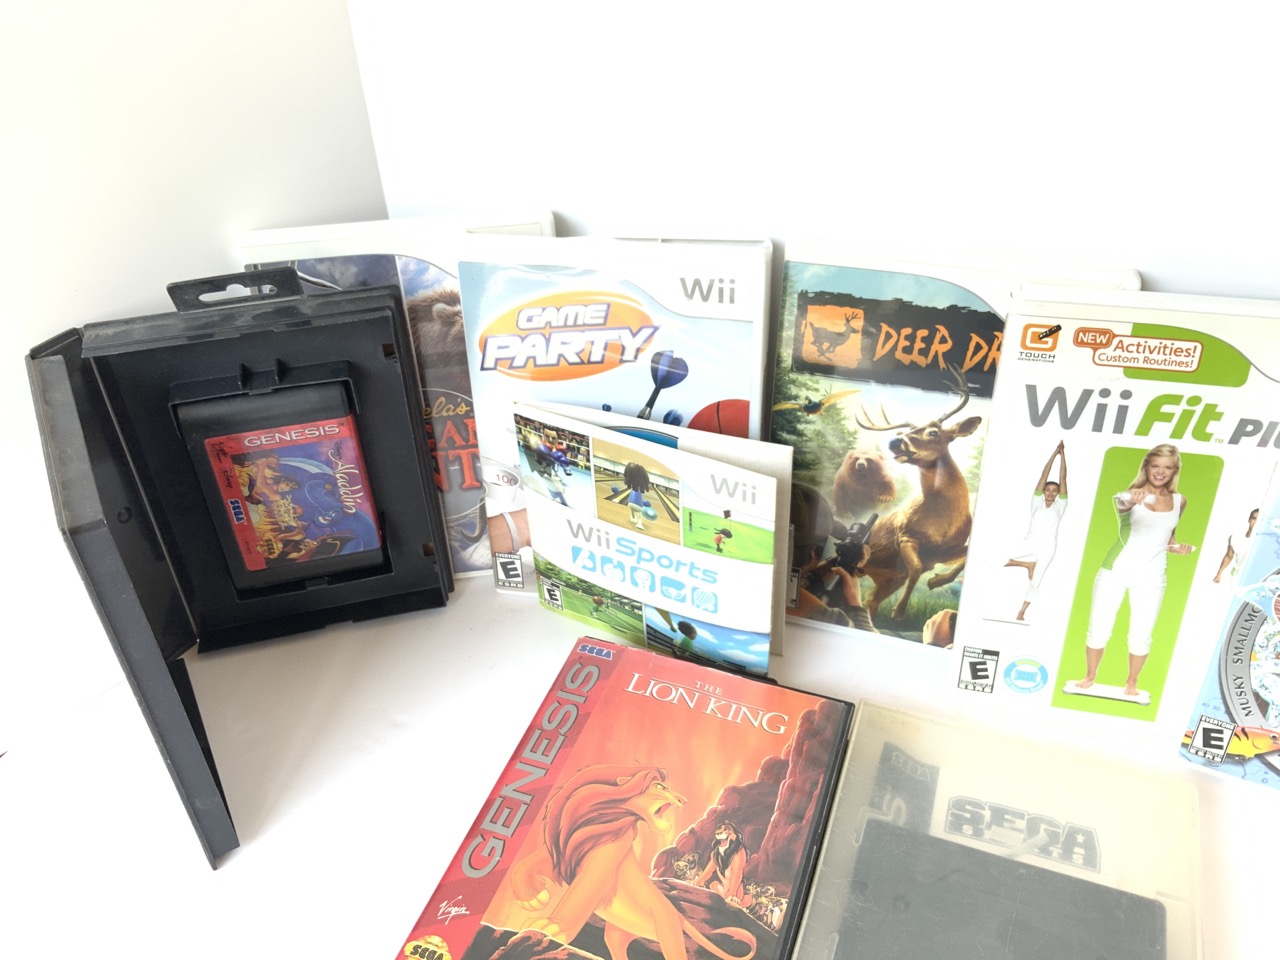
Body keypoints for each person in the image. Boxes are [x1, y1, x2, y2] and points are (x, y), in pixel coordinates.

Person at [1078, 444, 1194, 698]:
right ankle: (1090, 676)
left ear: (1174, 470)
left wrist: (1178, 548)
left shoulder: (1180, 501)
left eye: (1167, 467)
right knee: (1099, 627)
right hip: (1116, 570)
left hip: (1153, 575)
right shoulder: (1129, 495)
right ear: (1146, 467)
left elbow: (1168, 537)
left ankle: (1132, 681)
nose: (1160, 472)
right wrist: (1133, 498)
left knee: (1141, 635)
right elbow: (1123, 505)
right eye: (1155, 466)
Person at [1004, 441, 1069, 620]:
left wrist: (1063, 455)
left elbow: (1063, 479)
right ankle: (1026, 564)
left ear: (1058, 494)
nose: (1050, 493)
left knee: (1036, 580)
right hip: (1031, 541)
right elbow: (1044, 475)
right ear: (1043, 491)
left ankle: (1021, 612)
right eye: (1047, 490)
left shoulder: (1061, 505)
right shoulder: (1036, 502)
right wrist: (1054, 453)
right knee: (1000, 557)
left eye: (1054, 491)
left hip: (1048, 546)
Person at [1213, 507, 1259, 583]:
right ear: (1249, 519)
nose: (1256, 522)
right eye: (1254, 518)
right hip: (1237, 578)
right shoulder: (1236, 538)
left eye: (1259, 519)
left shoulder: (1267, 542)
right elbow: (1229, 556)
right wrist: (1219, 574)